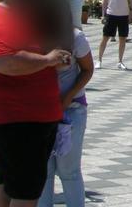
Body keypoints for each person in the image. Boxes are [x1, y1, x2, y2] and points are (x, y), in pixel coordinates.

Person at [0, 0, 73, 207]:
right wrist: (47, 60)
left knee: (7, 182)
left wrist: (50, 60)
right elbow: (5, 61)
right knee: (25, 191)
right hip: (21, 120)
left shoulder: (10, 17)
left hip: (19, 118)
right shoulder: (2, 17)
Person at [38, 22, 93, 207]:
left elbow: (88, 69)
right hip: (41, 111)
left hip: (72, 110)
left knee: (69, 171)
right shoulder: (30, 35)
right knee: (43, 171)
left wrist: (68, 97)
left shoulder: (75, 36)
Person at [96, 0, 132, 70]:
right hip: (111, 14)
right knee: (105, 38)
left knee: (122, 39)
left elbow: (131, 0)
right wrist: (103, 15)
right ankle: (99, 60)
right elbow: (105, 0)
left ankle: (120, 61)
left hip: (123, 15)